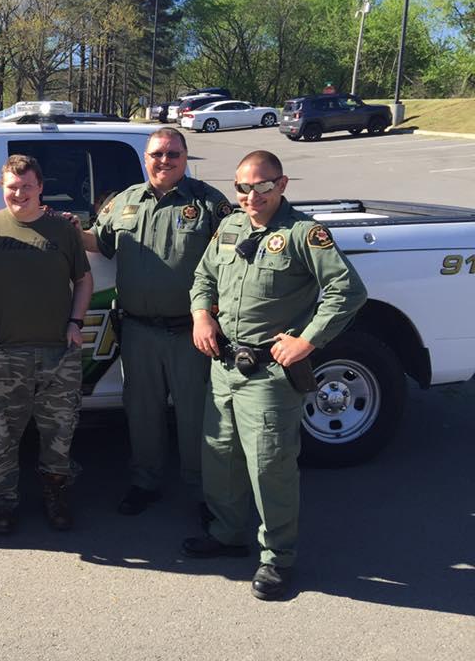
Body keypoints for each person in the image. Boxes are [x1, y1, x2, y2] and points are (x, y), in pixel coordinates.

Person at [183, 150, 367, 600]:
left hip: (268, 375)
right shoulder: (229, 228)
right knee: (221, 459)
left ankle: (277, 559)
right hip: (224, 367)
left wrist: (308, 341)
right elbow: (203, 277)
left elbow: (348, 290)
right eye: (242, 187)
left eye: (261, 186)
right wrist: (200, 316)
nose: (251, 196)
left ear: (281, 185)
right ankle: (228, 535)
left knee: (270, 468)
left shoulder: (304, 235)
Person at [81, 128, 232, 515]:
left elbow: (228, 265)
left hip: (190, 332)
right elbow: (100, 242)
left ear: (185, 157)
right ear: (145, 158)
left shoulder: (209, 204)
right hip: (137, 331)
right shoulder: (125, 202)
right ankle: (145, 481)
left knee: (196, 415)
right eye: (156, 154)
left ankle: (204, 492)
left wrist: (211, 316)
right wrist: (62, 228)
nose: (164, 161)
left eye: (173, 154)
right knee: (142, 411)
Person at [0, 154, 93, 534]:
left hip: (58, 351)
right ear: (2, 188)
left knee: (59, 434)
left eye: (26, 187)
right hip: (5, 351)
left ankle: (56, 496)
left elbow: (83, 280)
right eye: (11, 188)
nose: (18, 194)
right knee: (3, 435)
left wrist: (75, 322)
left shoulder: (62, 229)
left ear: (40, 188)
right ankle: (2, 503)